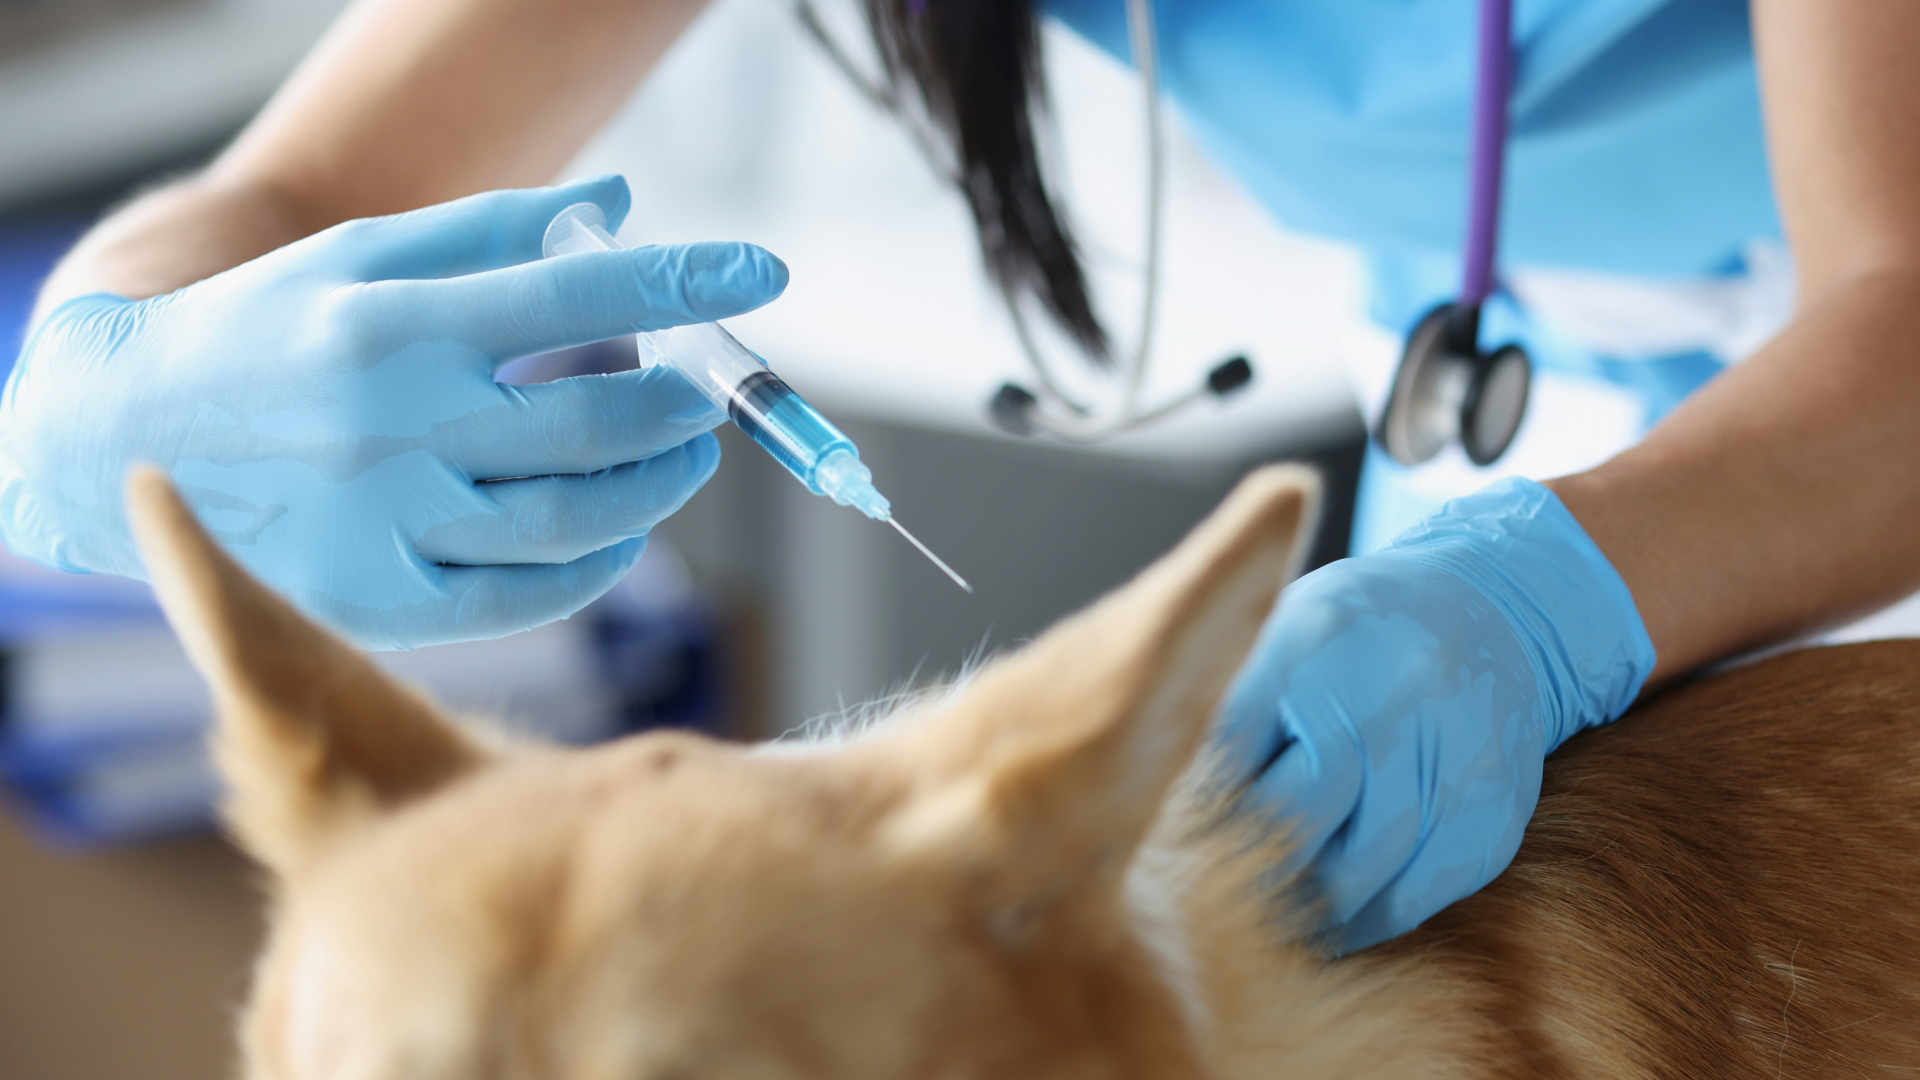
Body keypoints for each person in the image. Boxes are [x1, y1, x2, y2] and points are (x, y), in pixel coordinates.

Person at [5, 0, 1919, 952]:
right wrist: (101, 404)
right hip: (1498, 448)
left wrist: (1534, 602)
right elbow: (282, 192)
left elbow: (1898, 304)